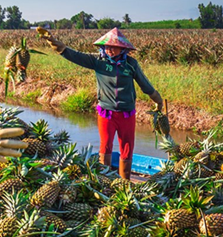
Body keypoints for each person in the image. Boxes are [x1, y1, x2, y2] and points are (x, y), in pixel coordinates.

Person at [39, 27, 164, 180]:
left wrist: (158, 101)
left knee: (127, 147)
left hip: (126, 113)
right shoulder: (98, 61)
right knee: (105, 146)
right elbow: (75, 55)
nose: (110, 50)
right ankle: (105, 180)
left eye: (114, 47)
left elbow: (145, 85)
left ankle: (125, 181)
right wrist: (54, 42)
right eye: (107, 46)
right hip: (106, 113)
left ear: (122, 48)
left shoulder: (131, 64)